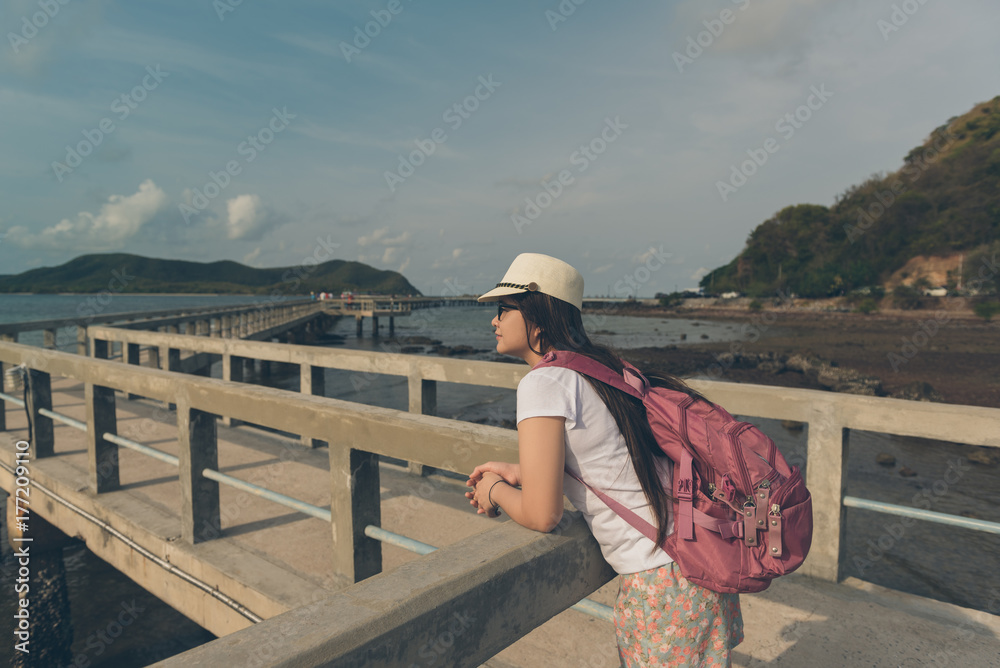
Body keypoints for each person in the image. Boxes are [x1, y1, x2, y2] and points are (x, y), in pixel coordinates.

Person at [466, 253, 743, 667]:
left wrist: (494, 489)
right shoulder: (604, 367)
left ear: (537, 316)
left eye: (504, 310)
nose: (494, 321)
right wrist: (523, 472)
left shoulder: (542, 383)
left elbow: (544, 515)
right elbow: (613, 457)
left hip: (660, 585)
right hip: (696, 559)